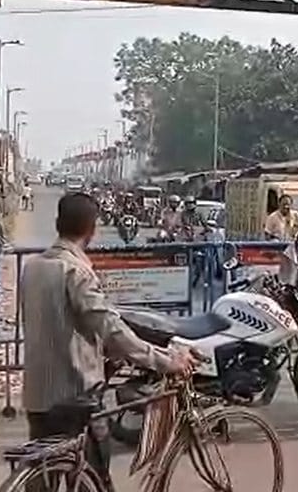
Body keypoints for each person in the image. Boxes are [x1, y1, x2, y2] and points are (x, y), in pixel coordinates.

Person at [19, 193, 197, 487]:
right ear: (92, 229)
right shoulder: (76, 270)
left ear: (57, 224)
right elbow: (112, 329)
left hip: (37, 393)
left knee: (43, 475)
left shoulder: (33, 267)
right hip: (74, 394)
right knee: (97, 473)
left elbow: (56, 323)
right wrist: (166, 361)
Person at [264, 193, 298, 283]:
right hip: (279, 247)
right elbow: (267, 234)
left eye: (288, 204)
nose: (286, 207)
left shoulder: (296, 215)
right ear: (279, 204)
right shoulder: (273, 217)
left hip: (294, 247)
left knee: (293, 271)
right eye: (284, 204)